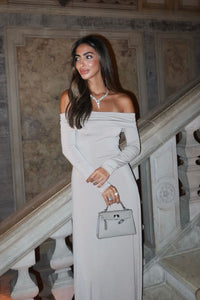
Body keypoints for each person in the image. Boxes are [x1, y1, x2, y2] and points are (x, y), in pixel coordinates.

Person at [60, 34, 142, 300]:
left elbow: (133, 147)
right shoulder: (69, 98)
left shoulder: (123, 100)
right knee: (91, 255)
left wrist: (109, 167)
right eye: (77, 58)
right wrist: (102, 183)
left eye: (88, 56)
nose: (81, 63)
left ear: (101, 59)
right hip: (87, 183)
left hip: (121, 179)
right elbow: (69, 148)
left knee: (122, 250)